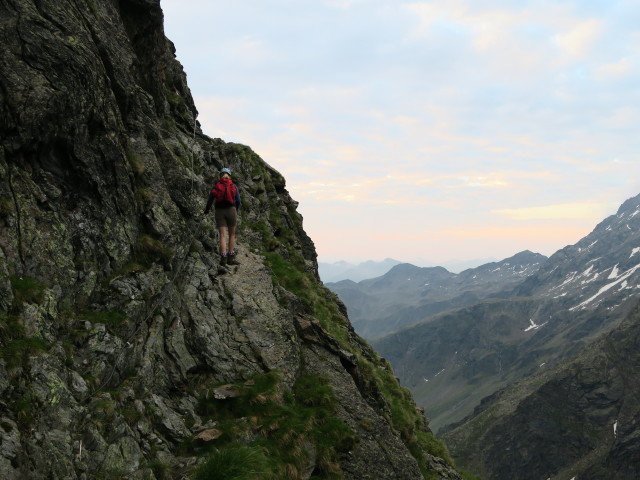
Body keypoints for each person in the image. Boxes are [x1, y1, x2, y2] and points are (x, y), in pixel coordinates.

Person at [204, 167, 241, 266]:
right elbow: (238, 200)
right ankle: (231, 258)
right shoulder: (233, 186)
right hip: (231, 210)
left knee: (222, 235)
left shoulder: (216, 186)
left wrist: (206, 211)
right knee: (232, 234)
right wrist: (235, 209)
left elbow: (210, 201)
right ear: (229, 175)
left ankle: (223, 259)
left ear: (220, 175)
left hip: (219, 211)